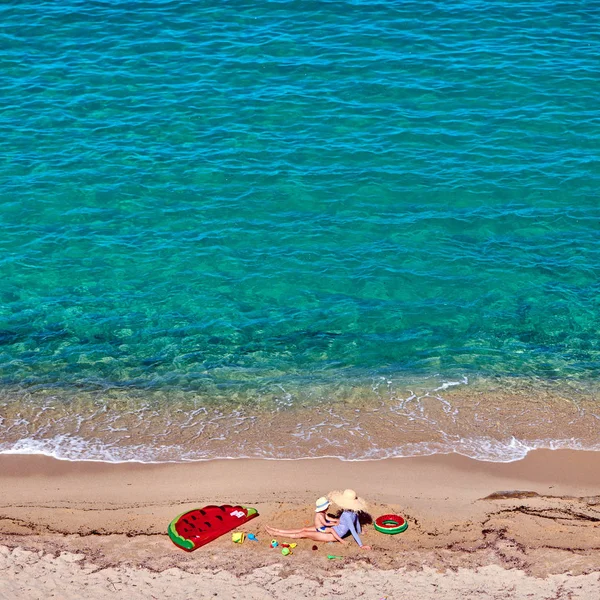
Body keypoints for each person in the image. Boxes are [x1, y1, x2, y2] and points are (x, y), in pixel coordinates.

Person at [265, 489, 371, 550]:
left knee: (303, 533)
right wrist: (360, 531)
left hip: (332, 535)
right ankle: (276, 530)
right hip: (331, 528)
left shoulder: (347, 515)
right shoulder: (353, 512)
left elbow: (352, 530)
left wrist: (361, 545)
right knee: (304, 529)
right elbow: (356, 523)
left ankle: (276, 533)